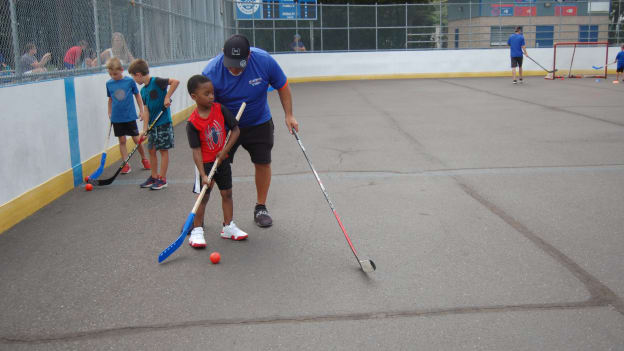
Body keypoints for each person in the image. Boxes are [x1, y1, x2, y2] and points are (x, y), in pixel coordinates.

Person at [202, 34, 299, 228]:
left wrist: (289, 115)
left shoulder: (263, 60)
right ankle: (198, 216)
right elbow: (205, 105)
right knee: (213, 167)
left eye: (239, 64)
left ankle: (260, 207)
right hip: (226, 126)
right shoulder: (211, 71)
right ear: (223, 54)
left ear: (249, 56)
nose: (234, 69)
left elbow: (283, 86)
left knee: (262, 162)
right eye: (230, 63)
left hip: (258, 122)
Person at [186, 74, 249, 248]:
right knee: (203, 197)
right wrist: (202, 174)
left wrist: (224, 151)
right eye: (206, 94)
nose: (211, 97)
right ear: (194, 97)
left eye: (212, 93)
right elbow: (196, 151)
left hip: (222, 161)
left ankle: (228, 226)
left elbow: (235, 130)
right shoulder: (192, 123)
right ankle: (197, 231)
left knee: (227, 193)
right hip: (205, 164)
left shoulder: (220, 109)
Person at [128, 58, 179, 190]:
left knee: (163, 150)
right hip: (152, 126)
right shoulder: (143, 91)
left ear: (138, 74)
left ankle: (162, 179)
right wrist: (144, 130)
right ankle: (154, 176)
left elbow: (175, 82)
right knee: (151, 150)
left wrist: (167, 97)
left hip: (163, 123)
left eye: (134, 77)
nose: (135, 80)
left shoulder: (157, 81)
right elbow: (146, 110)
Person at [105, 57, 150, 174]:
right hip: (117, 117)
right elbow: (110, 99)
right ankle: (125, 163)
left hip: (129, 116)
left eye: (115, 73)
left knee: (136, 139)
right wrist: (109, 112)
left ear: (121, 69)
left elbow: (137, 96)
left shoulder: (129, 81)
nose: (113, 76)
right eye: (110, 74)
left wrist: (141, 110)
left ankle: (144, 159)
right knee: (122, 140)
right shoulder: (109, 83)